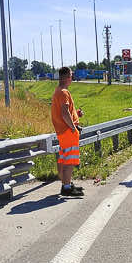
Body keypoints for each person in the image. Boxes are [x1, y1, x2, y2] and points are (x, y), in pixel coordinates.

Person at [51, 66, 84, 196]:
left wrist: (76, 114)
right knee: (69, 161)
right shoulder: (64, 92)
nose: (72, 77)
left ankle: (66, 184)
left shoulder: (58, 91)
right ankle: (66, 188)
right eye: (71, 75)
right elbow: (65, 114)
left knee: (63, 159)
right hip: (67, 131)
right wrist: (73, 128)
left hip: (62, 131)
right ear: (66, 77)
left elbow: (65, 112)